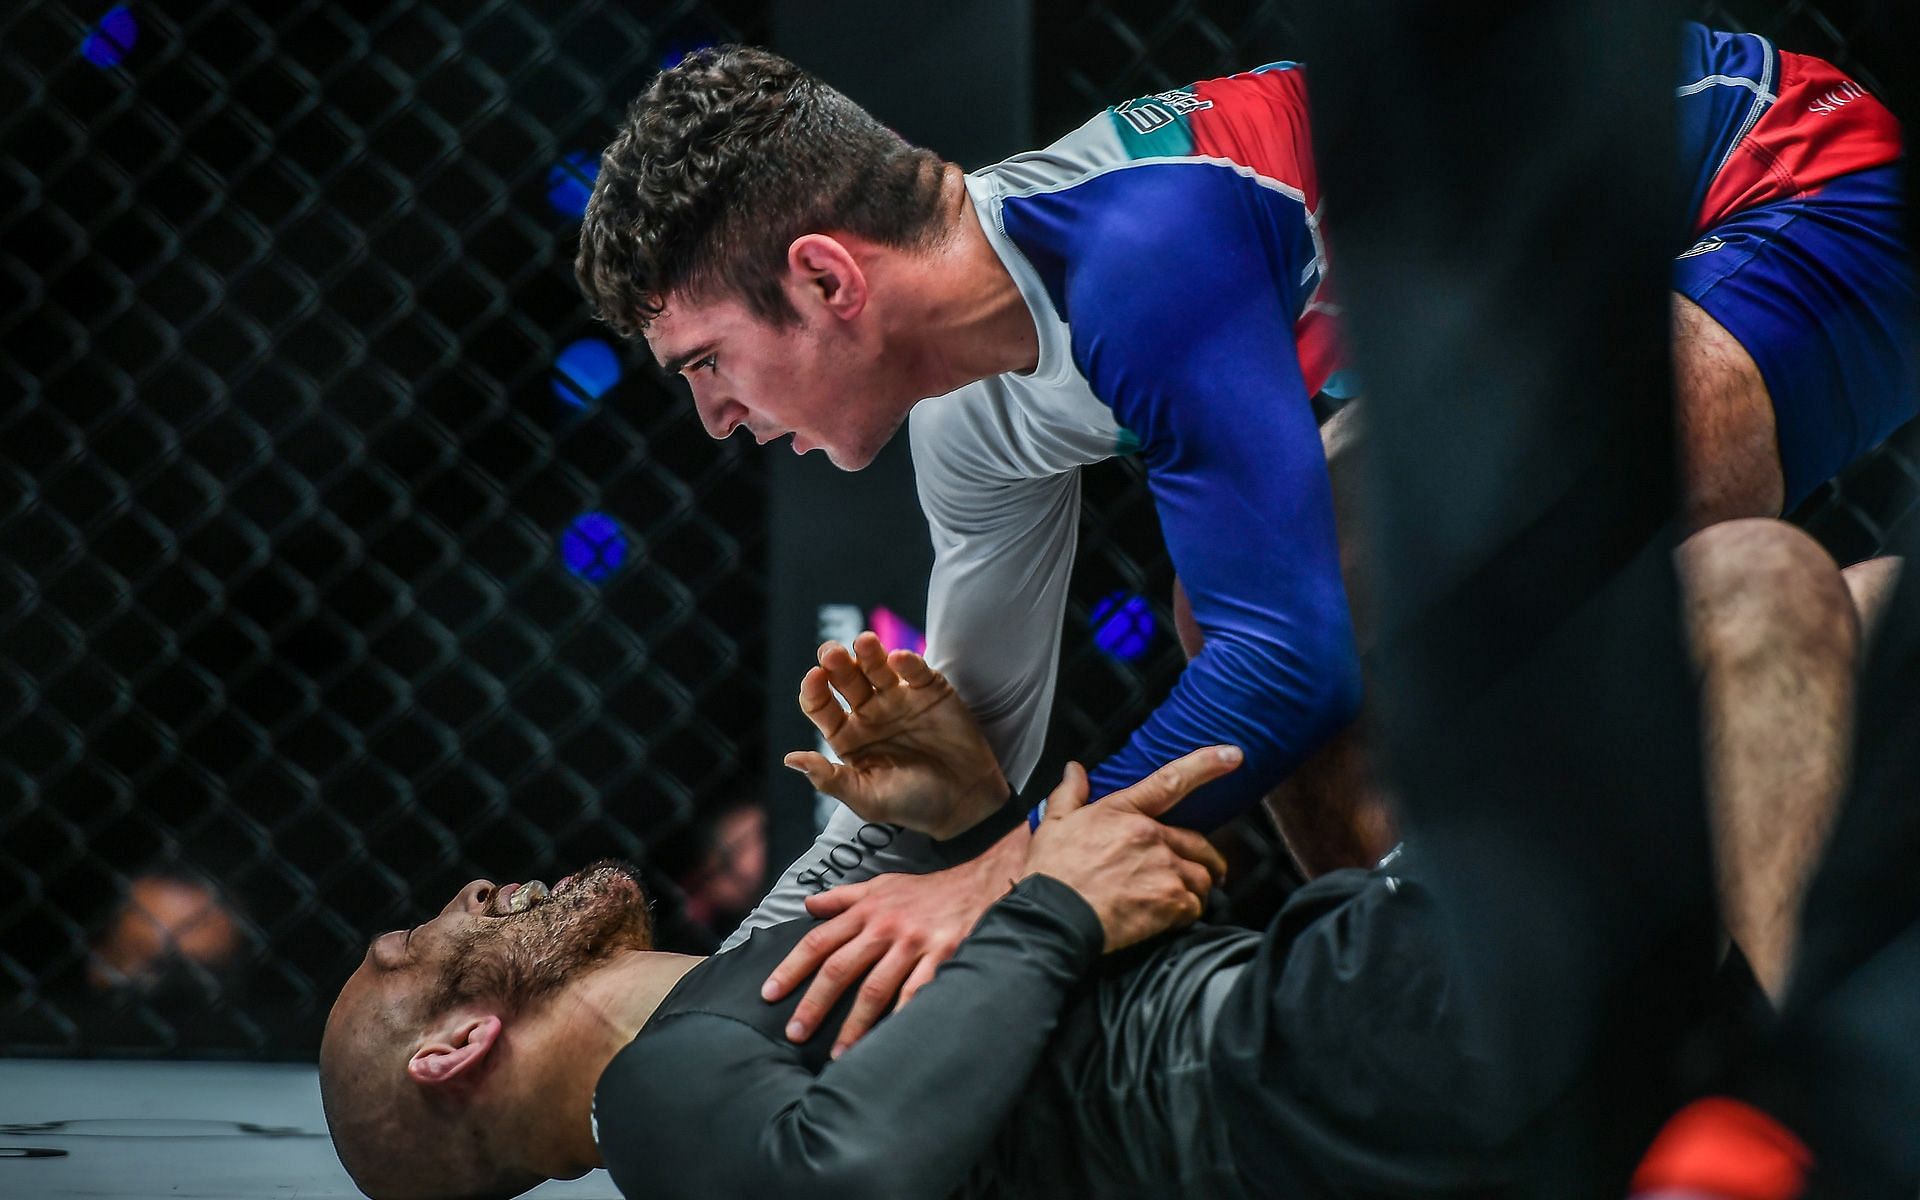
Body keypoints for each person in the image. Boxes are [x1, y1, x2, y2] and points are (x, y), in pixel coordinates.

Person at [573, 26, 1916, 1051]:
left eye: (707, 364)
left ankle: (1758, 1081)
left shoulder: (1143, 239)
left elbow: (1293, 666)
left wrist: (1012, 873)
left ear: (824, 279)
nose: (714, 423)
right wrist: (704, 1014)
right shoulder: (972, 421)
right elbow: (974, 770)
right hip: (1546, 311)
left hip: (1792, 191)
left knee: (1347, 599)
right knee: (1264, 620)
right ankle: (1477, 1048)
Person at [318, 521, 1879, 1200]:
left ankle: (1785, 1059)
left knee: (1869, 613)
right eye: (414, 948)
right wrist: (1051, 891)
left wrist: (972, 822)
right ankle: (1835, 1118)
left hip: (1355, 1024)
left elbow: (969, 1082)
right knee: (1749, 591)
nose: (463, 897)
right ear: (459, 1049)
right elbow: (846, 1174)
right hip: (1325, 1072)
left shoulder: (731, 1007)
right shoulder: (650, 1101)